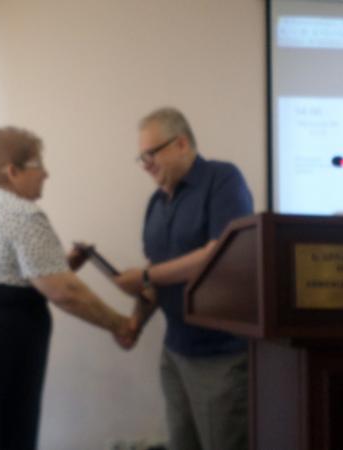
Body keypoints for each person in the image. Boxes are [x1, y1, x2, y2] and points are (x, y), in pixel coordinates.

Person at [0, 126, 137, 450]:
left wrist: (62, 264)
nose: (46, 174)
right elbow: (65, 292)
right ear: (13, 171)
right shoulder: (23, 214)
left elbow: (12, 277)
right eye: (39, 165)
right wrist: (119, 324)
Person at [115, 107, 254, 450]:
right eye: (141, 157)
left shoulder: (223, 179)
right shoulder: (156, 203)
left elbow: (217, 254)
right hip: (174, 352)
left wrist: (145, 275)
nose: (145, 164)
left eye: (151, 153)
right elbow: (156, 281)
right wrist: (135, 323)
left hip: (220, 355)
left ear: (181, 144)